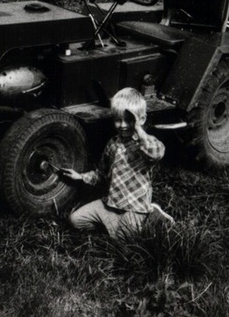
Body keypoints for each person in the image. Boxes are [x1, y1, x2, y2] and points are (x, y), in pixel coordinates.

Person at [63, 87, 171, 239]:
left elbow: (156, 153)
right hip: (111, 204)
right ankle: (116, 225)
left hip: (135, 207)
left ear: (141, 119)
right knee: (75, 220)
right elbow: (101, 174)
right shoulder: (112, 144)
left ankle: (151, 215)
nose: (123, 125)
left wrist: (139, 130)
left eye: (129, 120)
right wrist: (80, 177)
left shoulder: (147, 143)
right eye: (118, 120)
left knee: (123, 241)